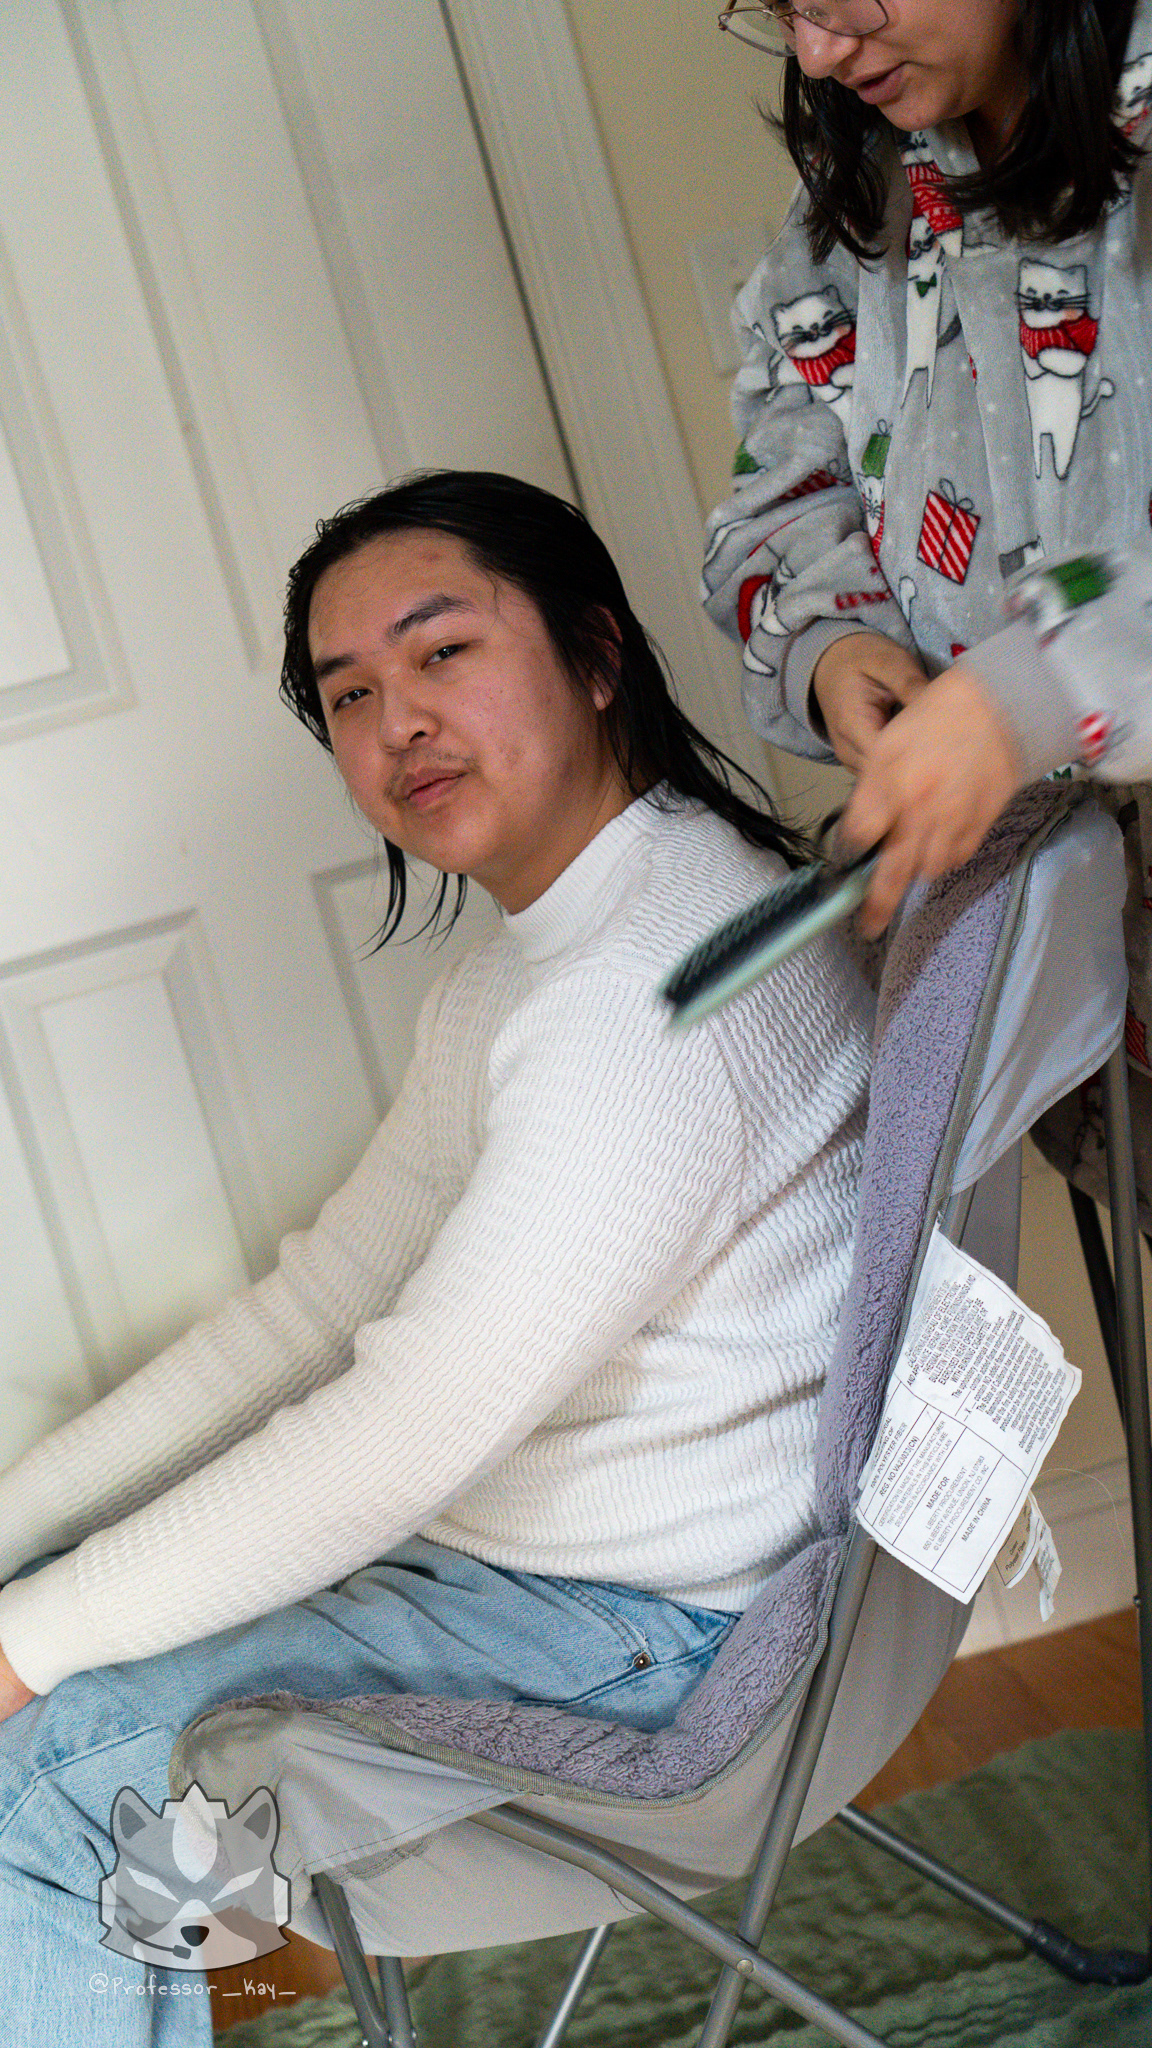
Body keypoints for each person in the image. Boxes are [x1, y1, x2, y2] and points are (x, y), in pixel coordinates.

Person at [0, 470, 873, 2043]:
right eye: (349, 693)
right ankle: (152, 1969)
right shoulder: (552, 962)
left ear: (595, 654)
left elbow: (402, 1430)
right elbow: (316, 1311)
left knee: (51, 1786)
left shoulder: (642, 999)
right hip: (558, 1570)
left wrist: (19, 1652)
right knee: (43, 1627)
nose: (397, 720)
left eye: (442, 651)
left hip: (652, 1632)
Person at [703, 0, 1152, 1205]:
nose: (816, 51)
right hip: (1096, 995)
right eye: (780, 8)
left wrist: (1036, 690)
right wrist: (830, 641)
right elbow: (780, 485)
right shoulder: (855, 206)